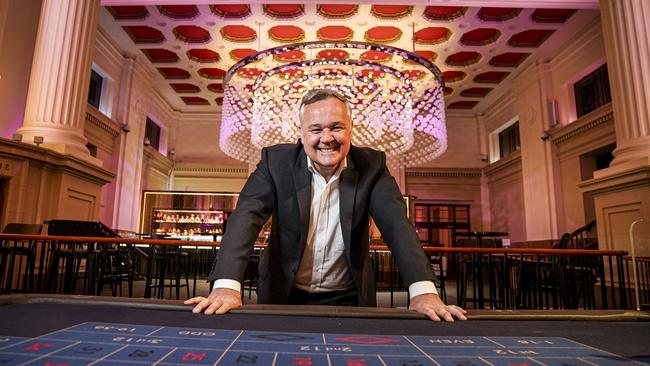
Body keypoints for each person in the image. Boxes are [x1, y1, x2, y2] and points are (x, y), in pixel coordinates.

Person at [185, 89, 467, 322]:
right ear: (302, 133)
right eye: (316, 129)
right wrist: (225, 286)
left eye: (336, 127)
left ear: (351, 129)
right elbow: (245, 218)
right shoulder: (275, 162)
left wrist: (423, 291)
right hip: (284, 292)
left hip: (348, 295)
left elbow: (397, 226)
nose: (327, 138)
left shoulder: (373, 165)